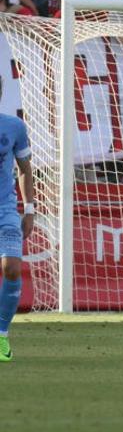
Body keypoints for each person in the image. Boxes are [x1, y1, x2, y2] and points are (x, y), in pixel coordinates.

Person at [0, 108, 35, 362]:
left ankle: (1, 334)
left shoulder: (14, 126)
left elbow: (24, 169)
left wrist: (30, 209)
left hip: (6, 211)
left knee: (12, 268)